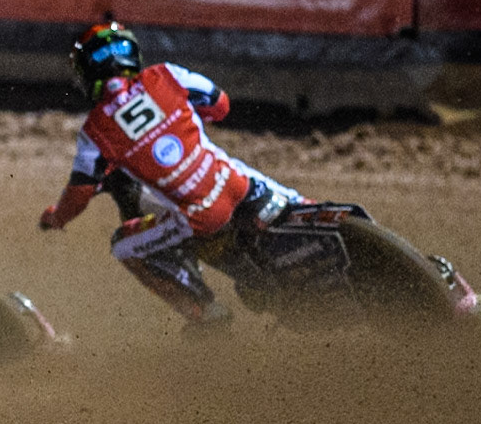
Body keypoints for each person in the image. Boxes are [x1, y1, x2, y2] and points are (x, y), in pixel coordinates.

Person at [36, 23, 305, 331]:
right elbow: (220, 105)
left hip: (201, 216)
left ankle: (204, 312)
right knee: (240, 172)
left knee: (124, 245)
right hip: (237, 184)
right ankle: (309, 209)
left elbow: (79, 193)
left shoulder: (96, 131)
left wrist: (56, 217)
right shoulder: (167, 74)